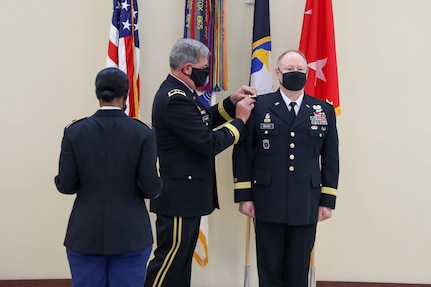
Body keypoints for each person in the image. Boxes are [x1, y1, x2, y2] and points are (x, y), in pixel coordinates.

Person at [144, 38, 256, 287]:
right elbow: (208, 143)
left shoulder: (182, 93)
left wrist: (231, 103)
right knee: (168, 264)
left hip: (188, 197)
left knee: (181, 266)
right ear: (186, 68)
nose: (207, 72)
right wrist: (239, 122)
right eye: (204, 67)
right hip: (179, 199)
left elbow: (204, 119)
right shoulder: (174, 98)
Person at [232, 50, 339, 287]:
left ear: (307, 74)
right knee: (269, 269)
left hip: (306, 203)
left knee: (298, 271)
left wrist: (327, 201)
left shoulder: (322, 110)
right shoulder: (259, 106)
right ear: (278, 73)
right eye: (290, 70)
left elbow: (331, 158)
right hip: (267, 201)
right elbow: (244, 153)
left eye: (300, 70)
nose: (295, 74)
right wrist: (244, 196)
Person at [54, 67, 162, 287]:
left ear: (97, 94)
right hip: (130, 235)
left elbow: (66, 185)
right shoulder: (143, 132)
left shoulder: (74, 131)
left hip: (85, 234)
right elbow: (151, 188)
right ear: (126, 95)